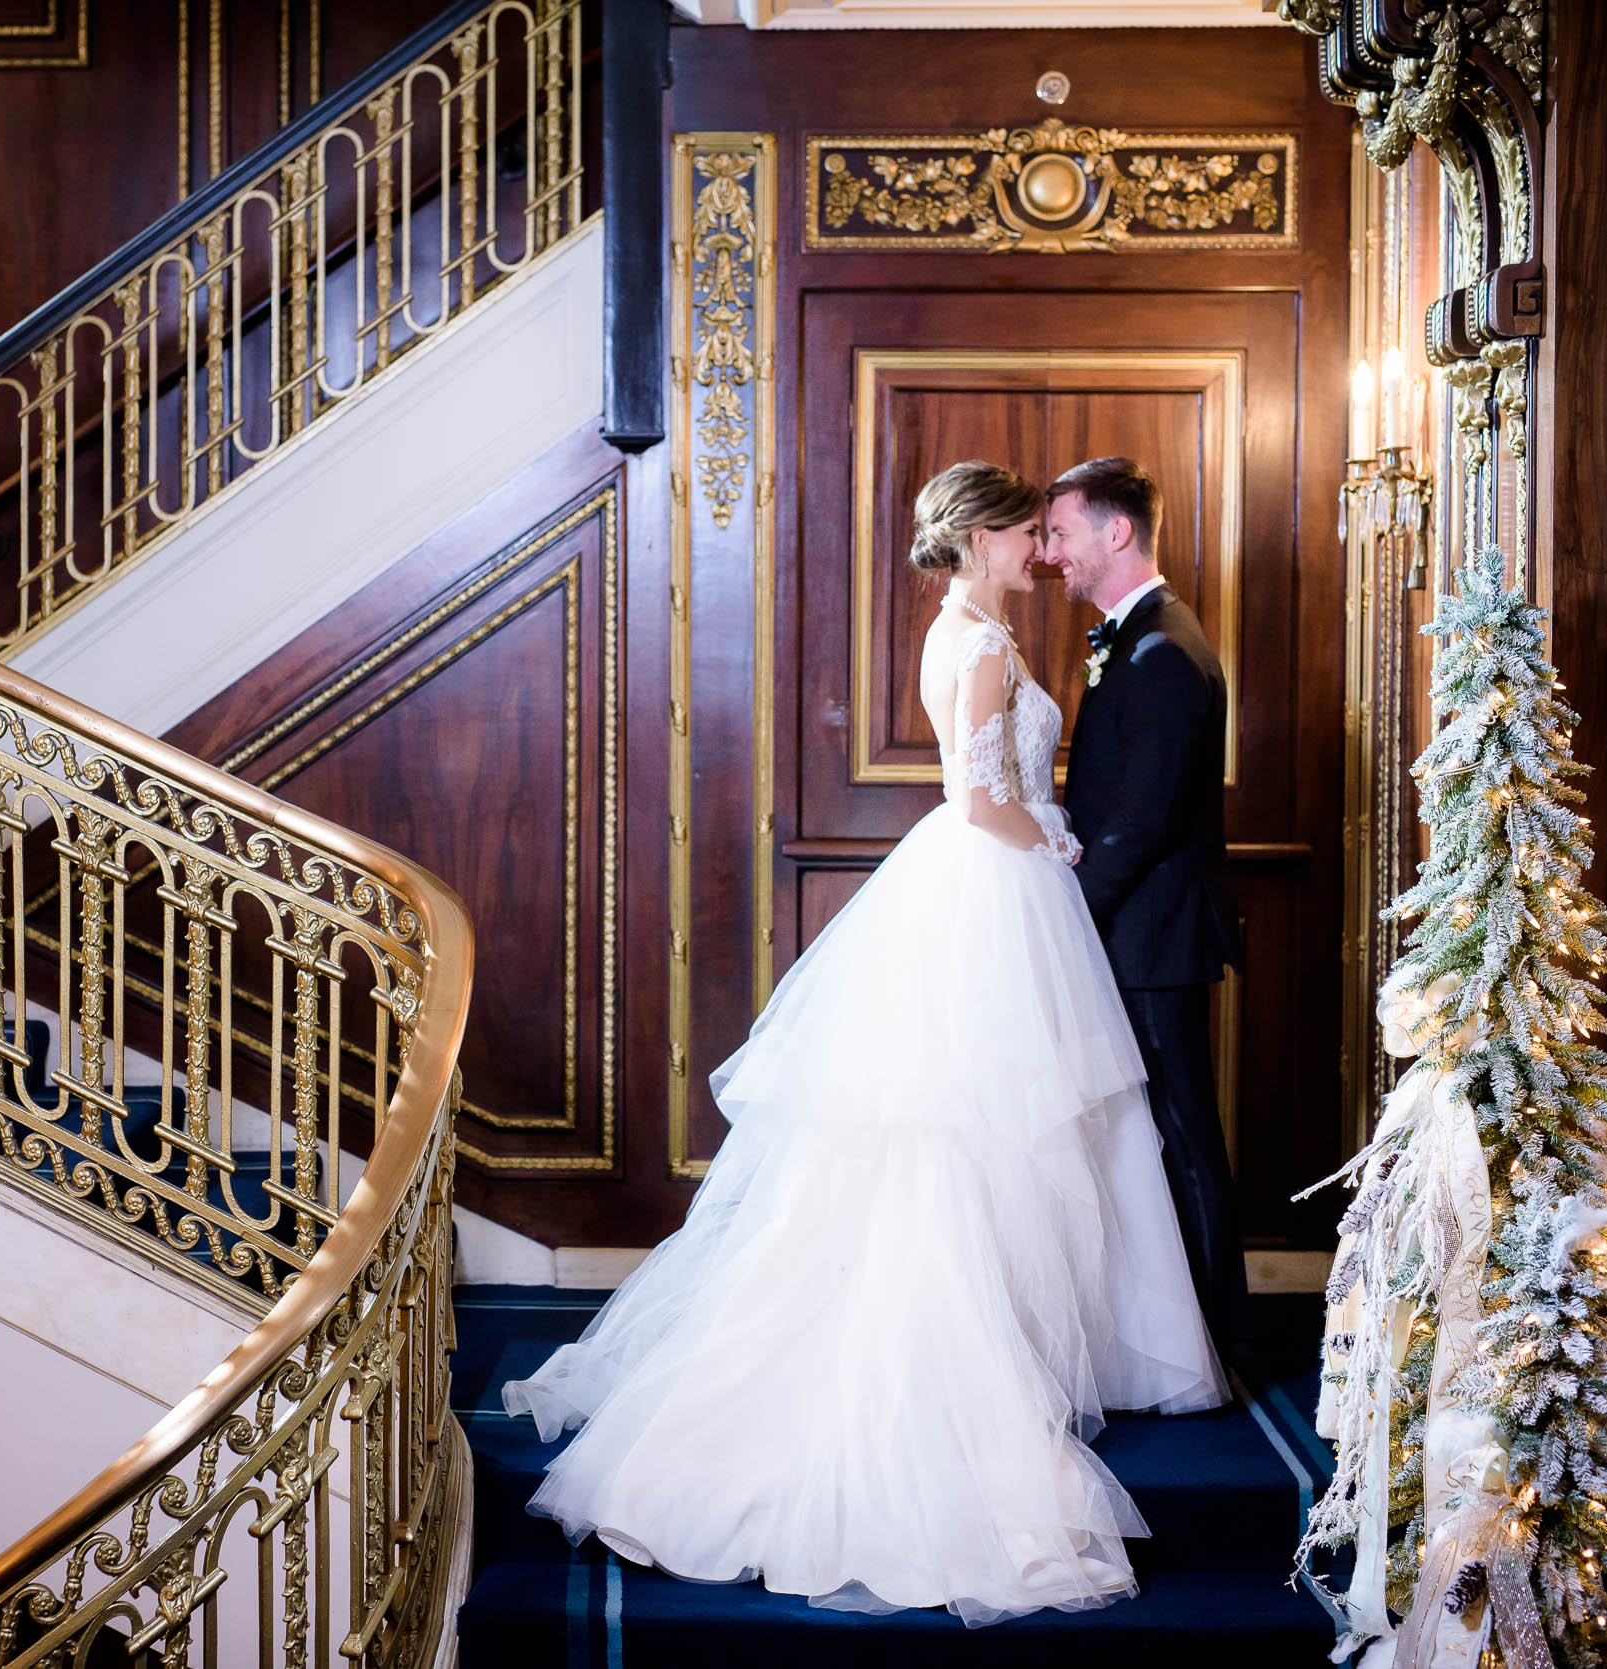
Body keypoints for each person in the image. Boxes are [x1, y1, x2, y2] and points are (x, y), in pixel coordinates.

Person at [500, 461, 1223, 1626]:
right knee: (985, 1130)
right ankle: (966, 1356)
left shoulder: (971, 624)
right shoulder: (979, 643)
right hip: (997, 880)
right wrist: (1055, 844)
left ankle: (1041, 1337)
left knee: (1015, 1129)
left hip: (983, 884)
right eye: (1027, 532)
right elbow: (979, 796)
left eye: (1051, 533)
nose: (1042, 549)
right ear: (982, 537)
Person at [1043, 456, 1248, 1349]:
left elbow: (1142, 818)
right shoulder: (1140, 636)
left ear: (1114, 530)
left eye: (1061, 532)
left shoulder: (1165, 646)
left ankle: (1224, 1338)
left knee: (1183, 1127)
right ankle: (1177, 1326)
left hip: (1153, 938)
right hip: (1137, 932)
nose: (1052, 554)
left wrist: (1065, 913)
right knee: (1157, 1130)